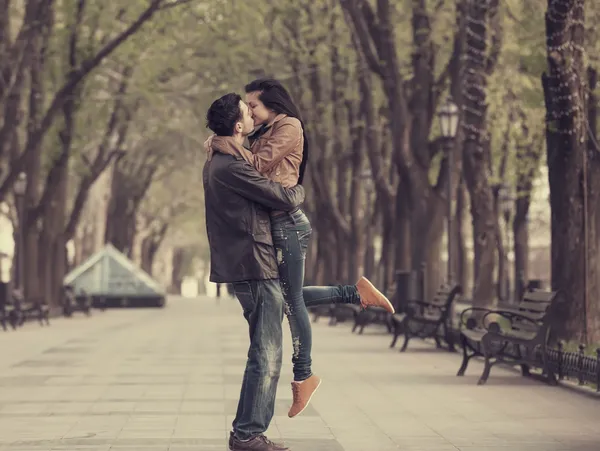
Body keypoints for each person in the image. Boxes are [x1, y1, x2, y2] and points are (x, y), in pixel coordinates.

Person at [205, 79, 394, 419]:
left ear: (272, 105)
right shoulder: (258, 133)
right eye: (247, 109)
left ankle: (304, 375)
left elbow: (257, 168)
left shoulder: (288, 125)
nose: (251, 111)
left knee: (288, 301)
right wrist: (225, 141)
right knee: (284, 297)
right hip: (277, 221)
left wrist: (223, 144)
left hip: (288, 220)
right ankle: (355, 293)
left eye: (254, 105)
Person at [204, 93, 300, 451]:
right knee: (268, 352)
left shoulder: (219, 159)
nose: (254, 118)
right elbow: (284, 197)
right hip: (254, 262)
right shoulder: (233, 167)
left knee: (261, 348)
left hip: (245, 263)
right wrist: (299, 187)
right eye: (248, 113)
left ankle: (245, 431)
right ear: (239, 126)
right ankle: (247, 434)